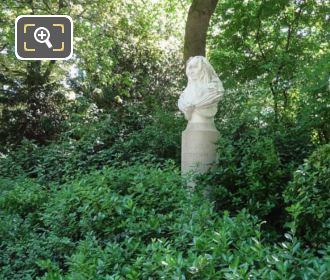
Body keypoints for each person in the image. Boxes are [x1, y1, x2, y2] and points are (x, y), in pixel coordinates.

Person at [178, 56, 224, 123]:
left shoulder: (215, 89)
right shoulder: (184, 95)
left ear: (204, 68)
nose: (191, 71)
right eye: (190, 68)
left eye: (195, 67)